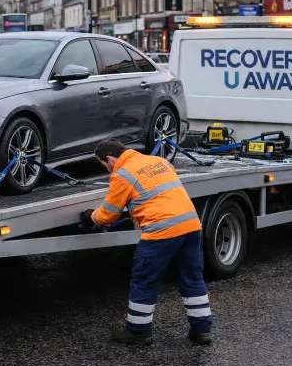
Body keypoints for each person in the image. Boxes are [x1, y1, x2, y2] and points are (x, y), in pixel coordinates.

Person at [80, 139, 212, 346]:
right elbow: (157, 194)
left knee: (144, 280)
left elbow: (109, 215)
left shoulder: (122, 175)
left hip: (162, 232)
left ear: (110, 159)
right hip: (191, 226)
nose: (106, 170)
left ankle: (138, 331)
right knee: (192, 279)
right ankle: (202, 330)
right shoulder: (159, 161)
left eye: (104, 165)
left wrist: (91, 217)